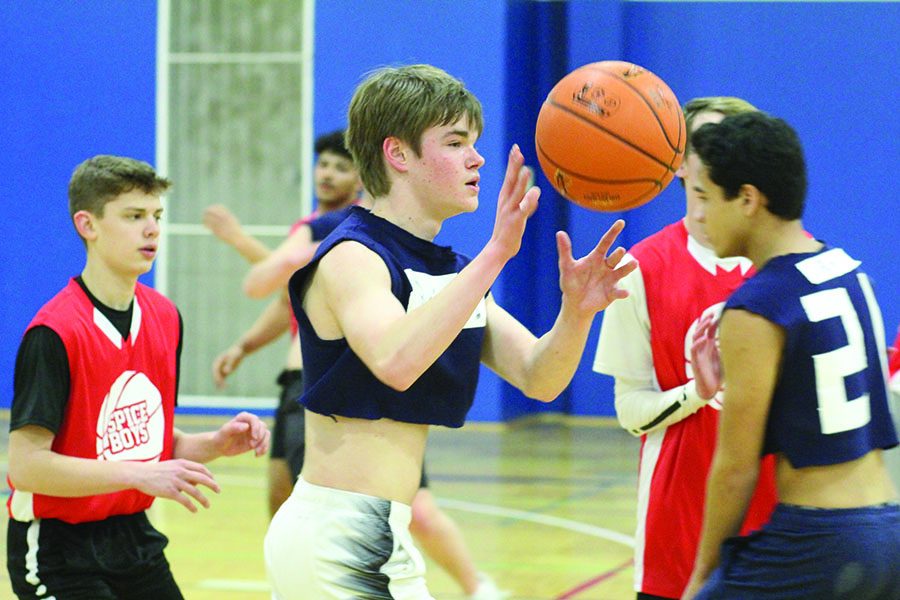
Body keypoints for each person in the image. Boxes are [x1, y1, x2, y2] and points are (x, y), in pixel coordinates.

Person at [262, 63, 636, 599]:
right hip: (337, 534)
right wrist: (496, 253)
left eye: (475, 142)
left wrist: (577, 312)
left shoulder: (451, 271)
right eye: (456, 141)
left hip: (385, 529)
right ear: (398, 155)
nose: (476, 158)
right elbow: (394, 362)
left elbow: (539, 376)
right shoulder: (353, 256)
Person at [207, 132, 507, 598]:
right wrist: (245, 345)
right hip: (338, 499)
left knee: (413, 505)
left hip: (365, 517)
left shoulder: (362, 239)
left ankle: (476, 583)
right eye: (321, 164)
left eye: (338, 166)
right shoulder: (333, 238)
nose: (327, 174)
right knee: (284, 490)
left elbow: (537, 373)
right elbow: (275, 290)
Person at [6, 155, 270, 600]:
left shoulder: (164, 317)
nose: (151, 229)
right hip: (57, 549)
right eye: (133, 217)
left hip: (133, 540)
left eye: (156, 216)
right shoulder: (55, 332)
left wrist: (214, 445)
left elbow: (146, 444)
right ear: (87, 225)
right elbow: (27, 466)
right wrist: (137, 476)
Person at [681, 112, 899, 599]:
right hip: (889, 530)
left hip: (820, 542)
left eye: (706, 197)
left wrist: (705, 572)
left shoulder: (756, 306)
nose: (699, 216)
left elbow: (735, 467)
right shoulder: (849, 271)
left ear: (747, 200)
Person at [592, 97, 777, 600]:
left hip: (777, 526)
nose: (721, 156)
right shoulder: (640, 267)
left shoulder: (784, 264)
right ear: (678, 161)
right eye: (706, 143)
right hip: (676, 531)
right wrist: (698, 391)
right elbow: (631, 411)